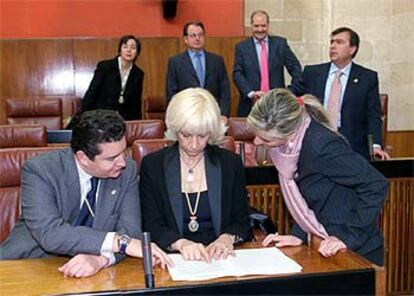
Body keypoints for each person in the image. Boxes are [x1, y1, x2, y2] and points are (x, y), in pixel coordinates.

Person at [0, 109, 171, 277]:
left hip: (93, 273)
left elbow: (130, 231)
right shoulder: (40, 170)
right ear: (83, 158)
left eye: (123, 152)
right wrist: (118, 242)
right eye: (112, 158)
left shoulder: (127, 171)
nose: (122, 162)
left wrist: (101, 259)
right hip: (29, 266)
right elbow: (50, 233)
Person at [247, 88, 388, 266]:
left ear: (288, 133)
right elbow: (307, 198)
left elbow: (376, 184)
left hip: (355, 253)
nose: (256, 142)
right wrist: (299, 236)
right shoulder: (293, 145)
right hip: (321, 243)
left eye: (265, 139)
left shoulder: (321, 145)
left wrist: (349, 236)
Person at [140, 88, 250, 262]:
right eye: (186, 135)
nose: (194, 144)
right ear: (175, 130)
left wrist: (226, 238)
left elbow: (242, 220)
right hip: (174, 258)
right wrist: (180, 244)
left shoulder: (230, 164)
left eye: (202, 136)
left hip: (221, 258)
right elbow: (151, 224)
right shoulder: (153, 166)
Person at [302, 27, 390, 160]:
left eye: (339, 42)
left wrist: (375, 146)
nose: (333, 46)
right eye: (331, 42)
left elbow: (373, 115)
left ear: (352, 49)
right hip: (316, 143)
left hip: (352, 147)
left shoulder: (367, 78)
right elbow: (292, 96)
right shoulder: (312, 73)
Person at [233, 10, 303, 117]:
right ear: (251, 25)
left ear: (268, 25)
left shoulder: (280, 44)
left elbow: (295, 68)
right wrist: (251, 93)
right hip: (250, 105)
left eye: (263, 26)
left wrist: (289, 92)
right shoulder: (242, 47)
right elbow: (237, 74)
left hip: (277, 104)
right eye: (256, 26)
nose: (260, 29)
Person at [166, 21, 231, 117]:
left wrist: (223, 114)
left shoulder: (217, 60)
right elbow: (171, 92)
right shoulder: (175, 62)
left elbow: (225, 90)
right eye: (193, 35)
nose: (197, 38)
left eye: (200, 35)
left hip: (213, 114)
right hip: (186, 114)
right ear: (185, 39)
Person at [81, 35, 144, 120]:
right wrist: (86, 116)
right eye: (125, 47)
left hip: (123, 119)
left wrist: (138, 124)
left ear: (137, 52)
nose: (129, 50)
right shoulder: (105, 67)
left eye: (133, 48)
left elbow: (136, 103)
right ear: (120, 50)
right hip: (101, 116)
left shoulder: (138, 73)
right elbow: (92, 93)